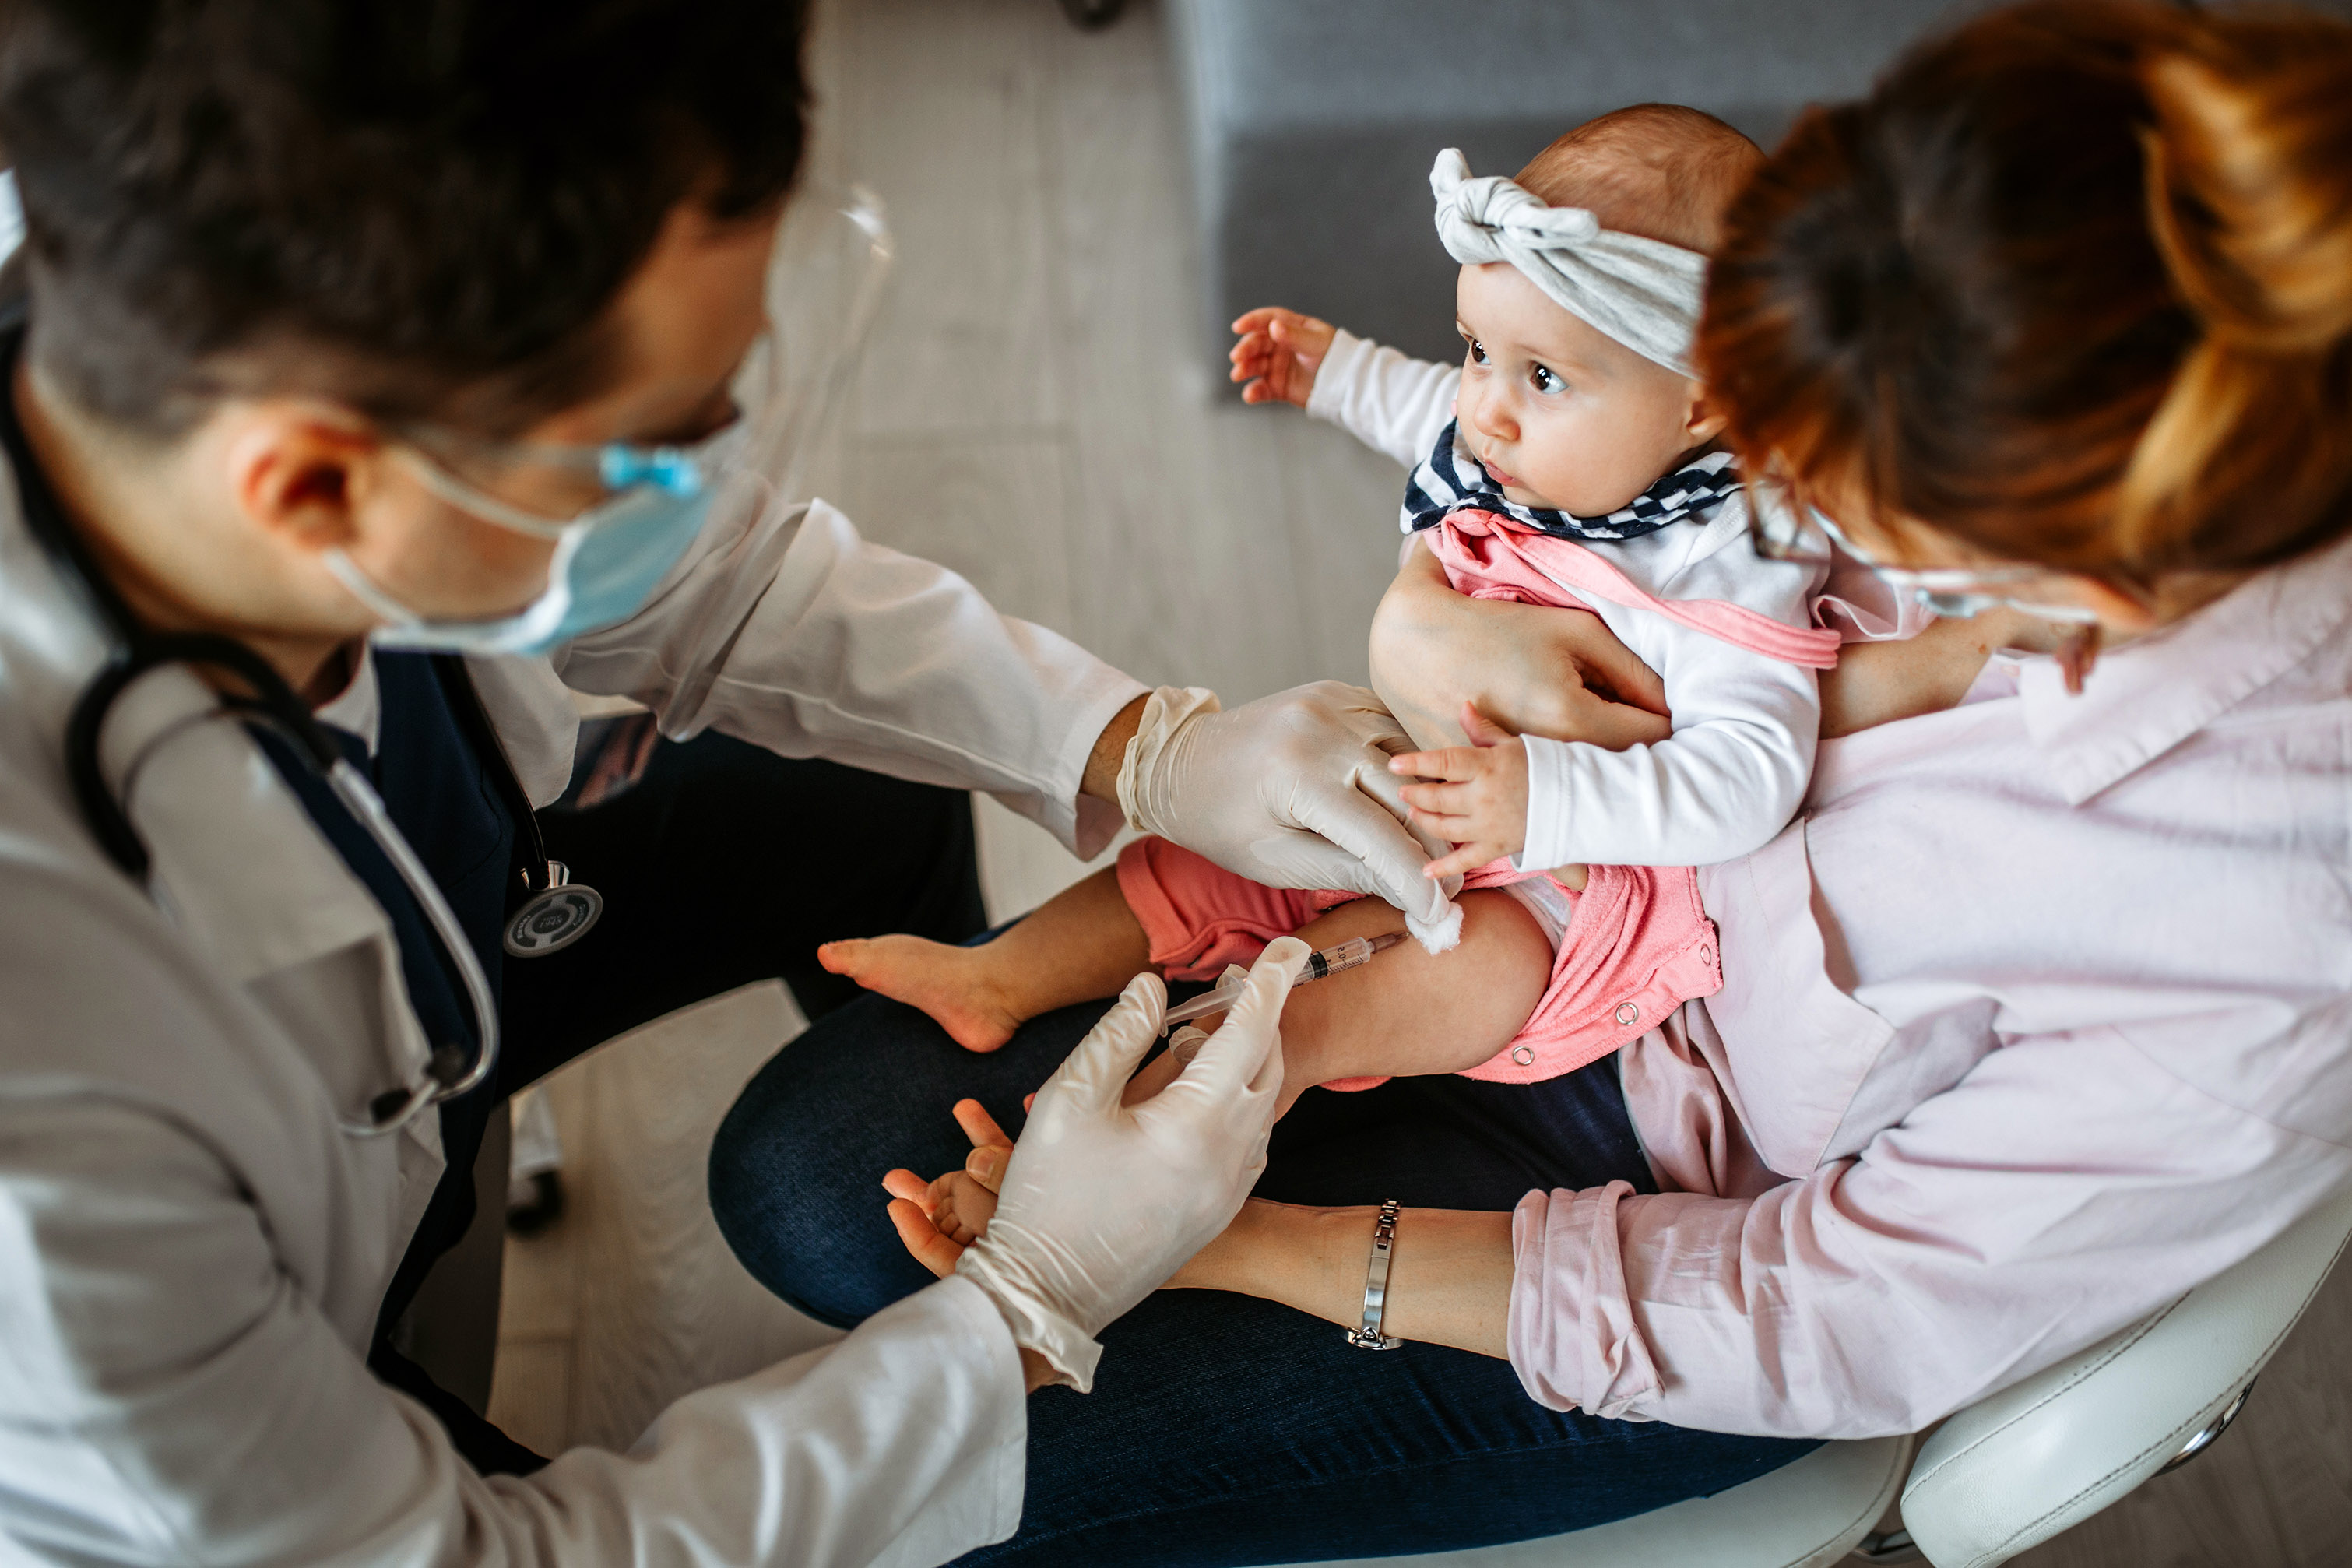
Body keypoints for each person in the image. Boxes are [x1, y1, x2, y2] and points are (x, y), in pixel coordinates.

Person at [708, 2, 2352, 1561]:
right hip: (1544, 911)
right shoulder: (1963, 312)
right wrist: (1424, 630)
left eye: (1832, 468)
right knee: (815, 1171)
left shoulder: (2260, 922)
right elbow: (1566, 541)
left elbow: (1830, 1305)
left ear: (2099, 579)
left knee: (961, 1476)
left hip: (1681, 1220)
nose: (1760, 479)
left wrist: (1222, 1237)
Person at [0, 2, 1472, 1563]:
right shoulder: (57, 1141)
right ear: (310, 484)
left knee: (843, 807)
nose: (711, 483)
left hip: (386, 941)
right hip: (275, 1474)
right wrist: (1021, 1308)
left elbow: (720, 577)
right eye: (653, 445)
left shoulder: (224, 368)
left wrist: (1142, 743)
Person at [817, 106, 1858, 1159]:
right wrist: (1331, 370)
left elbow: (1749, 776)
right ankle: (1003, 974)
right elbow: (1423, 412)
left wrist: (1546, 801)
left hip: (1556, 888)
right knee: (1217, 852)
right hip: (1421, 773)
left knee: (1422, 967)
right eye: (1475, 349)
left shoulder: (1730, 554)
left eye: (1541, 376)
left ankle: (1165, 1103)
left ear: (1701, 408)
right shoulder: (1510, 438)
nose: (1485, 410)